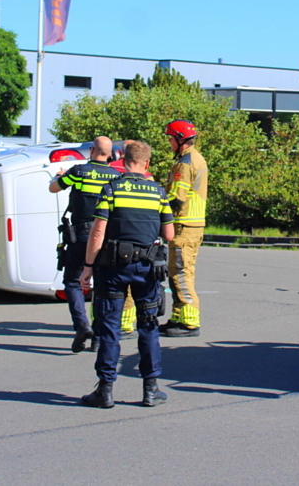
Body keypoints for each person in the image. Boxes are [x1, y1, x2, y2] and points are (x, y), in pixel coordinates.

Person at [79, 140, 174, 409]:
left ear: (122, 160)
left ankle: (105, 390)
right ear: (147, 164)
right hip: (147, 269)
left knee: (109, 326)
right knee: (149, 326)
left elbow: (98, 232)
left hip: (112, 268)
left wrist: (87, 268)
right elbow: (169, 234)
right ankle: (151, 389)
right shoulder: (158, 192)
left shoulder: (111, 189)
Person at [49, 136, 121, 352]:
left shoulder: (78, 171)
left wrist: (59, 176)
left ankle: (81, 325)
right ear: (110, 154)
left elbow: (54, 188)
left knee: (72, 281)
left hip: (81, 233)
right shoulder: (117, 177)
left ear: (92, 150)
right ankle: (98, 336)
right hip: (107, 236)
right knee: (101, 285)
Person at [160, 120, 207, 338]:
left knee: (181, 274)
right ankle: (178, 317)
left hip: (184, 226)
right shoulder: (192, 158)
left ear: (180, 139)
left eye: (170, 138)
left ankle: (189, 322)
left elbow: (175, 198)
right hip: (189, 225)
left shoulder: (185, 163)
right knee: (178, 272)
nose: (169, 143)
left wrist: (152, 201)